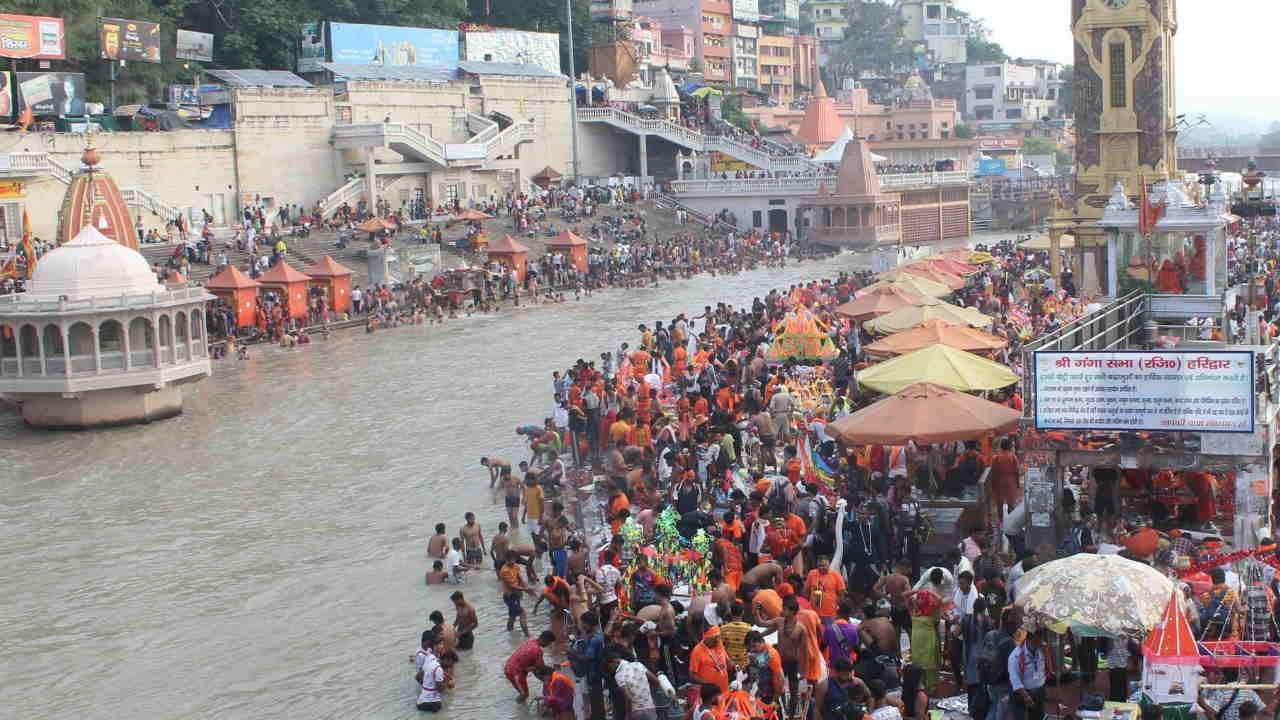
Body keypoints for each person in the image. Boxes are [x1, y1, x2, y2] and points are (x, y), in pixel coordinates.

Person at [607, 650, 660, 720]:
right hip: (650, 707)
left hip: (636, 711)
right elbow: (656, 681)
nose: (610, 670)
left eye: (609, 667)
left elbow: (628, 697)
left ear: (614, 662)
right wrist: (650, 695)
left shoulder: (619, 675)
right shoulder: (639, 665)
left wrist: (628, 715)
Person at [504, 630, 556, 700]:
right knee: (524, 694)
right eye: (549, 643)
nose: (549, 645)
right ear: (545, 640)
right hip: (515, 672)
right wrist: (553, 670)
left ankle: (521, 704)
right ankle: (518, 706)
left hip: (509, 666)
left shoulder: (530, 641)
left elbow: (534, 664)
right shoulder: (537, 650)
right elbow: (541, 667)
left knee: (522, 691)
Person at [1009, 630, 1048, 720]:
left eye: (1040, 641)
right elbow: (1015, 680)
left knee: (1038, 717)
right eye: (1036, 641)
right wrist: (1026, 696)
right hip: (1022, 694)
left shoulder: (1042, 649)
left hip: (1039, 691)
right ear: (1029, 639)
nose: (1039, 644)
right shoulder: (1015, 656)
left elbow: (1045, 668)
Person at [501, 550, 536, 635]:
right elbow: (512, 586)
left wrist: (526, 588)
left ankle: (509, 633)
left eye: (514, 559)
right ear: (506, 559)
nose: (512, 562)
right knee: (522, 613)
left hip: (516, 594)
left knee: (512, 616)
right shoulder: (504, 570)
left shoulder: (516, 566)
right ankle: (527, 635)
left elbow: (520, 579)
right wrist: (525, 590)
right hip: (509, 596)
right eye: (510, 560)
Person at [689, 626, 731, 694]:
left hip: (724, 689)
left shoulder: (718, 644)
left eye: (718, 637)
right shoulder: (697, 651)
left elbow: (727, 661)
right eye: (714, 638)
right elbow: (693, 674)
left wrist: (736, 666)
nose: (717, 640)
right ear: (706, 638)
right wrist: (707, 684)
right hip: (710, 693)